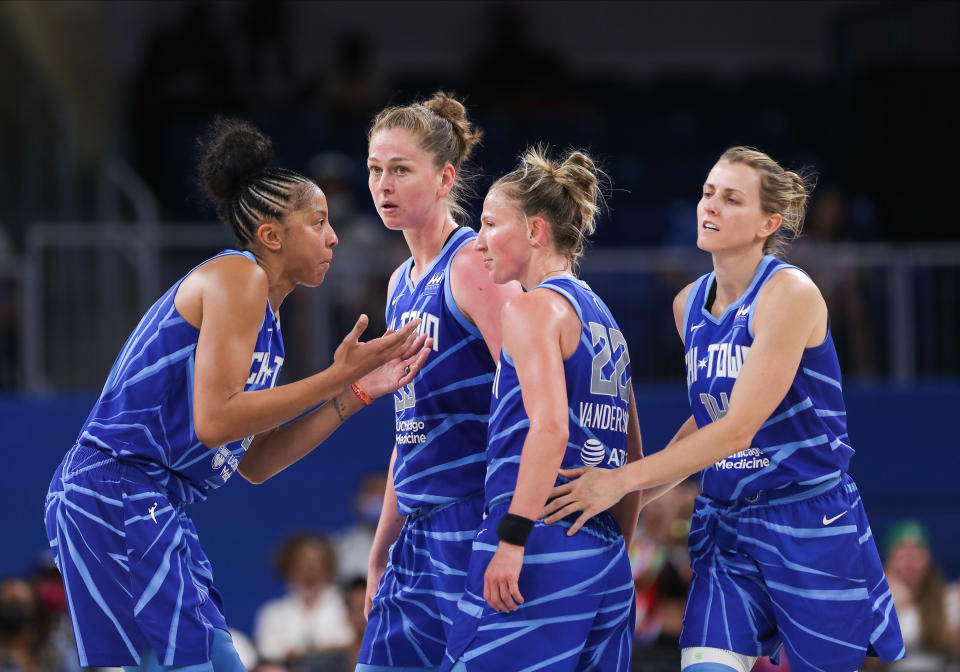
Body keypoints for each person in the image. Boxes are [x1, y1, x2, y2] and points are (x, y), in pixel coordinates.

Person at [43, 118, 430, 672]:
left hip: (143, 495)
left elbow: (255, 460)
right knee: (202, 661)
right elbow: (216, 421)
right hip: (116, 485)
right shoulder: (238, 277)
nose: (333, 236)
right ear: (272, 236)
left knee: (187, 662)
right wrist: (337, 376)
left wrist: (356, 395)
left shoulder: (266, 319)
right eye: (317, 221)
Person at [543, 146, 906, 672]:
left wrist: (616, 480)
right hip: (727, 523)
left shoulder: (790, 293)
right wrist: (636, 498)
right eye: (708, 192)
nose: (710, 206)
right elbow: (707, 422)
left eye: (732, 199)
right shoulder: (686, 303)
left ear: (768, 223)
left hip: (808, 519)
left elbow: (737, 430)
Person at [440, 147, 643, 671]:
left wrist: (512, 538)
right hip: (605, 556)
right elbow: (632, 461)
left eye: (489, 224)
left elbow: (549, 429)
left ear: (534, 231)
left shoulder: (530, 308)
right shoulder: (605, 321)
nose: (479, 240)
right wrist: (614, 551)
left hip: (535, 540)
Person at [358, 92, 521, 671]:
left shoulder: (474, 262)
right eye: (376, 169)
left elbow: (529, 391)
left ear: (445, 176)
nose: (384, 184)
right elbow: (409, 431)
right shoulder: (399, 283)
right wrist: (380, 554)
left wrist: (514, 527)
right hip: (417, 533)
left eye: (401, 170)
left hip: (474, 517)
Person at [254, 534, 353, 669]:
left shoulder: (347, 605)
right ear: (288, 569)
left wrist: (297, 654)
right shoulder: (272, 613)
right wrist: (324, 650)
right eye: (301, 564)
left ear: (329, 569)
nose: (309, 570)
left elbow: (351, 644)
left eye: (317, 563)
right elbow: (269, 653)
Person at [877, 520, 960, 671]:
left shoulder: (949, 599)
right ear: (889, 560)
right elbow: (867, 661)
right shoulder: (875, 603)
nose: (910, 561)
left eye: (917, 553)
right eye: (903, 553)